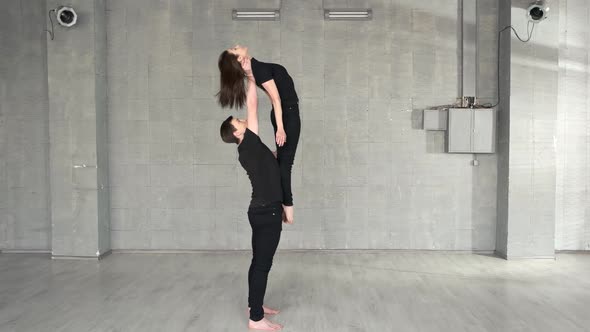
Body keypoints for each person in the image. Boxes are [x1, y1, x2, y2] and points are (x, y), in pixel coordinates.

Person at [219, 60, 290, 331]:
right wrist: (251, 76)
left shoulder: (252, 148)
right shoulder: (247, 144)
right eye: (239, 121)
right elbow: (253, 106)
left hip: (262, 210)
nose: (243, 120)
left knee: (258, 262)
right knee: (262, 265)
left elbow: (267, 169)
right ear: (237, 132)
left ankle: (254, 305)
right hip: (265, 211)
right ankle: (256, 319)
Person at [217, 45, 300, 224]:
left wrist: (249, 75)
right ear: (239, 59)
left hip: (284, 114)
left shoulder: (257, 70)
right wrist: (280, 127)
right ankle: (288, 212)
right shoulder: (260, 70)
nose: (237, 46)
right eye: (234, 49)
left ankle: (284, 208)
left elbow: (271, 99)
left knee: (284, 162)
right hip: (286, 116)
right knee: (286, 165)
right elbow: (275, 99)